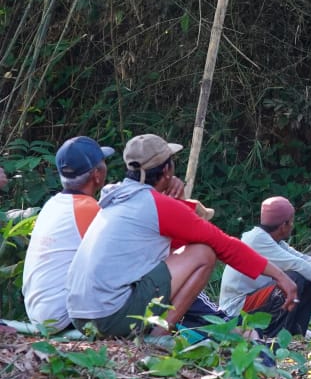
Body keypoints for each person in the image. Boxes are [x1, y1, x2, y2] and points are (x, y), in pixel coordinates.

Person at [66, 134, 297, 337]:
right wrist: (280, 276)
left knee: (196, 251)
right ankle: (159, 334)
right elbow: (221, 244)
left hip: (81, 317)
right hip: (110, 317)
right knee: (204, 253)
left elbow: (175, 243)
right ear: (167, 170)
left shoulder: (116, 196)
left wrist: (178, 198)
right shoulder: (155, 204)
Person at [219, 196, 311, 337]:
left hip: (252, 300)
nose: (293, 225)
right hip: (235, 313)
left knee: (308, 276)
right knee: (295, 277)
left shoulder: (271, 239)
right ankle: (272, 335)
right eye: (291, 221)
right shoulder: (257, 241)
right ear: (284, 225)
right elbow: (297, 264)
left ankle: (295, 330)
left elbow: (302, 258)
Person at [22, 137, 114, 331]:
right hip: (59, 316)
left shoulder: (52, 204)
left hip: (38, 313)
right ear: (97, 175)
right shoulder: (88, 208)